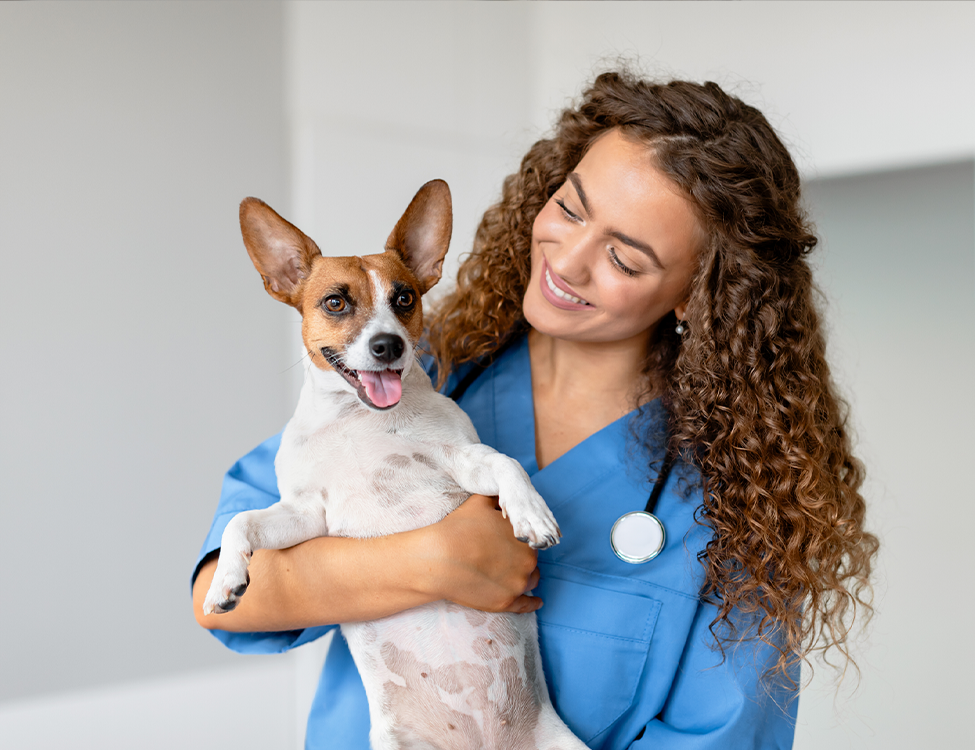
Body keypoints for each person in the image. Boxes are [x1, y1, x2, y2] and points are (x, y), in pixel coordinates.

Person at [192, 70, 878, 750]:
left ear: (699, 295)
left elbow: (717, 736)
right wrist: (428, 561)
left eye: (624, 257)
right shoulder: (410, 386)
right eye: (571, 208)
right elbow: (225, 596)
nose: (568, 261)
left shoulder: (741, 502)